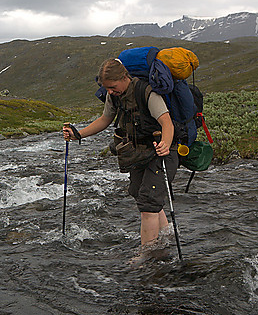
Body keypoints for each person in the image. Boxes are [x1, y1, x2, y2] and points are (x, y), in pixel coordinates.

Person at [62, 58, 179, 248]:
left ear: (125, 77)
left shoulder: (146, 92)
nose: (109, 91)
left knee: (149, 203)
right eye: (106, 87)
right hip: (138, 151)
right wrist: (79, 134)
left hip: (163, 151)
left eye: (112, 86)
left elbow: (167, 122)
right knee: (140, 194)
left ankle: (147, 254)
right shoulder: (114, 96)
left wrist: (165, 144)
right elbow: (105, 119)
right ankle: (167, 236)